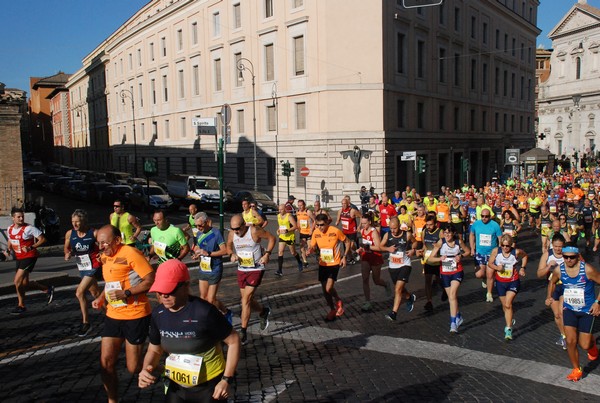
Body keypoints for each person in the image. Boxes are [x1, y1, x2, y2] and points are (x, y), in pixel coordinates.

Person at [138, 259, 240, 401]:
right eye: (160, 291)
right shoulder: (158, 314)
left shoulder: (204, 311)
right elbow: (154, 349)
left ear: (185, 286)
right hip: (176, 386)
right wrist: (146, 368)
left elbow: (234, 341)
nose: (164, 296)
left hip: (209, 386)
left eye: (170, 290)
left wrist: (226, 380)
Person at [92, 225, 155, 403]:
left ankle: (172, 369)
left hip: (136, 314)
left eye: (104, 242)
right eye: (99, 243)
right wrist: (101, 297)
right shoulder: (105, 256)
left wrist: (127, 293)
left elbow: (150, 280)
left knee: (133, 367)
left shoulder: (131, 253)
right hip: (113, 315)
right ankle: (113, 400)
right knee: (106, 363)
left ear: (117, 240)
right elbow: (111, 283)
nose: (101, 246)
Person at [548, 244, 600, 382]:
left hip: (586, 311)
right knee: (570, 341)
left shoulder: (587, 270)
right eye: (565, 257)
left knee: (584, 344)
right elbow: (552, 282)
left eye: (572, 257)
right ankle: (576, 369)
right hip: (569, 309)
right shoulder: (560, 270)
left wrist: (597, 302)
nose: (568, 260)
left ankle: (591, 345)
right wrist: (549, 296)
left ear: (577, 257)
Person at [226, 214, 276, 345]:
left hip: (256, 268)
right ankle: (263, 311)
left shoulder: (254, 231)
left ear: (244, 225)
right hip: (242, 269)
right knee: (247, 300)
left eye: (237, 228)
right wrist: (231, 254)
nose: (236, 231)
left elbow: (272, 239)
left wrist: (267, 254)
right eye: (233, 228)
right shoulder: (232, 234)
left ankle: (243, 332)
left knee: (245, 300)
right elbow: (228, 246)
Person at [4, 207, 52, 315]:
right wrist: (8, 250)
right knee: (24, 283)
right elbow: (10, 240)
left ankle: (21, 305)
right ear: (13, 218)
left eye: (22, 216)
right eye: (18, 217)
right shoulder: (10, 229)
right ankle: (46, 289)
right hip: (19, 257)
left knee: (17, 281)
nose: (21, 219)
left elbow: (43, 239)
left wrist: (31, 247)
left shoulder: (29, 228)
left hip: (29, 256)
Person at [307, 213, 352, 321]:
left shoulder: (335, 231)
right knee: (324, 290)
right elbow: (313, 246)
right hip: (323, 263)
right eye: (317, 225)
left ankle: (338, 300)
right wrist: (310, 250)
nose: (319, 227)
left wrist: (344, 256)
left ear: (327, 222)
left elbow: (347, 241)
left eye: (322, 225)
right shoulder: (316, 232)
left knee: (329, 288)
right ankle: (332, 309)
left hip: (334, 263)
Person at [64, 209, 101, 336]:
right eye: (73, 222)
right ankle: (113, 315)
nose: (75, 225)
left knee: (79, 292)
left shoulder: (94, 233)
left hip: (94, 266)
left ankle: (86, 323)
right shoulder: (70, 233)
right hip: (82, 266)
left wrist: (101, 255)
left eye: (77, 222)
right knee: (96, 293)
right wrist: (67, 253)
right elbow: (67, 247)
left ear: (83, 222)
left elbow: (105, 245)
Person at [426, 225, 470, 333]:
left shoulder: (458, 242)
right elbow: (431, 258)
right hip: (445, 273)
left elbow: (468, 251)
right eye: (445, 233)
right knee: (452, 298)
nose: (447, 235)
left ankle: (453, 323)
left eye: (449, 233)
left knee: (452, 295)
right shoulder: (441, 242)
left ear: (453, 233)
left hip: (457, 272)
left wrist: (461, 256)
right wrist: (439, 258)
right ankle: (458, 315)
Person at [190, 212, 230, 322]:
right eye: (196, 226)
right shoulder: (199, 234)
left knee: (211, 299)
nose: (198, 228)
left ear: (207, 222)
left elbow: (225, 250)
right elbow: (198, 246)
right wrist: (196, 253)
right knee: (203, 298)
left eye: (200, 225)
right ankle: (206, 320)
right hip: (203, 267)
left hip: (215, 268)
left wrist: (209, 253)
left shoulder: (216, 233)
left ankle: (225, 312)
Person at [488, 234, 528, 340]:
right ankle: (509, 320)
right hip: (500, 283)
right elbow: (490, 263)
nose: (505, 248)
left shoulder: (516, 252)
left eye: (507, 246)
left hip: (513, 281)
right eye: (503, 245)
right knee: (505, 306)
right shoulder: (496, 251)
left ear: (511, 245)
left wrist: (523, 268)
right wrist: (497, 267)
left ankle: (508, 329)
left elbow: (525, 256)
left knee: (508, 304)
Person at [380, 216, 418, 321]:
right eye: (391, 228)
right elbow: (380, 246)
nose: (393, 231)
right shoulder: (387, 235)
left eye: (395, 228)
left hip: (405, 264)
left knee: (397, 289)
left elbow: (415, 242)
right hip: (393, 266)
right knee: (400, 289)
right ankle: (409, 297)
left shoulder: (407, 234)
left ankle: (394, 313)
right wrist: (388, 248)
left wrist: (413, 249)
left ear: (399, 226)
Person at [537, 233, 567, 350]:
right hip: (553, 286)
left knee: (563, 312)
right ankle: (564, 335)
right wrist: (548, 266)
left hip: (566, 287)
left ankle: (569, 336)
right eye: (556, 246)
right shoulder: (547, 255)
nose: (558, 249)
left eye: (560, 246)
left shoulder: (568, 255)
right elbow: (539, 274)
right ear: (552, 245)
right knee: (557, 314)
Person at [356, 212, 392, 311]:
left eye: (365, 223)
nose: (363, 225)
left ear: (370, 222)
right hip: (365, 257)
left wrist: (367, 247)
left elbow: (378, 247)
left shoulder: (374, 232)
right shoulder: (363, 231)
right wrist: (360, 249)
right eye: (362, 223)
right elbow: (363, 244)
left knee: (376, 281)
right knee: (365, 279)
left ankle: (386, 284)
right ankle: (367, 301)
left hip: (375, 257)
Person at [469, 208, 503, 302]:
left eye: (486, 216)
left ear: (490, 216)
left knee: (490, 274)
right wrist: (472, 248)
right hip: (479, 253)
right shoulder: (476, 224)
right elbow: (471, 235)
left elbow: (500, 238)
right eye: (482, 216)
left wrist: (500, 251)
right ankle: (484, 278)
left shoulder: (495, 225)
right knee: (479, 274)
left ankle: (489, 293)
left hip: (491, 254)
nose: (484, 218)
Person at [418, 214, 444, 312]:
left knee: (439, 281)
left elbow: (444, 245)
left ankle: (445, 291)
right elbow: (424, 245)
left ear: (435, 224)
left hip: (437, 261)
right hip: (428, 260)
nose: (428, 227)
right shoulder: (424, 231)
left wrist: (438, 246)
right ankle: (429, 301)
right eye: (427, 224)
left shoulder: (440, 232)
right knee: (427, 281)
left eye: (431, 225)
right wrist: (421, 251)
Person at [276, 203, 303, 275]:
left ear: (285, 209)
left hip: (289, 237)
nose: (280, 211)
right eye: (279, 209)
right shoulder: (278, 216)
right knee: (280, 252)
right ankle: (279, 270)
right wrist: (278, 230)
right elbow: (280, 225)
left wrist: (287, 230)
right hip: (282, 237)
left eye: (281, 209)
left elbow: (295, 226)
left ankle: (299, 262)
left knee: (293, 252)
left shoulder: (289, 216)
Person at [336, 197, 361, 264]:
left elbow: (361, 217)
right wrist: (337, 222)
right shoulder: (340, 211)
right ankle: (350, 258)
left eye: (345, 203)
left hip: (352, 231)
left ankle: (356, 251)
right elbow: (338, 219)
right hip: (345, 231)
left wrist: (359, 226)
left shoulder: (352, 211)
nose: (343, 205)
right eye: (342, 204)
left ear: (348, 204)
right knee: (347, 246)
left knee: (351, 245)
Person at [296, 199, 315, 268]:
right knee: (302, 248)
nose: (300, 207)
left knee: (310, 248)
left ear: (304, 205)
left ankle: (317, 253)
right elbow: (298, 221)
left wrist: (312, 230)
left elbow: (315, 221)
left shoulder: (308, 212)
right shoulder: (297, 212)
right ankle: (305, 261)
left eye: (301, 205)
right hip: (302, 232)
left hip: (309, 233)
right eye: (298, 205)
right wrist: (297, 227)